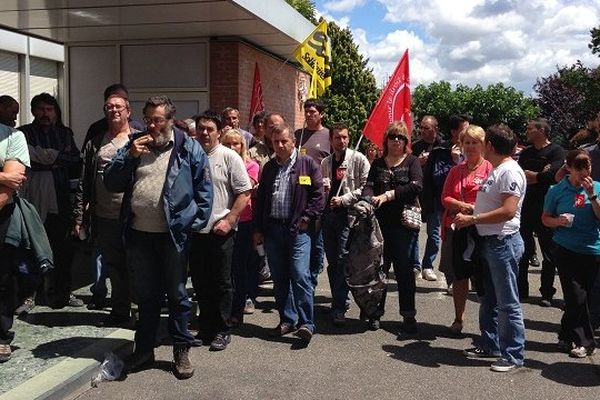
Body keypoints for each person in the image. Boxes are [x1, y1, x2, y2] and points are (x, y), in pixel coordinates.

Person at [104, 96, 212, 379]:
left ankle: (181, 350)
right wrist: (129, 157)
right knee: (146, 296)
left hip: (172, 236)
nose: (152, 125)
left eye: (158, 120)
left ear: (170, 119)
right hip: (140, 235)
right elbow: (111, 182)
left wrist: (192, 224)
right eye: (148, 119)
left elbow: (204, 190)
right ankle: (144, 350)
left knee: (177, 296)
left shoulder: (188, 148)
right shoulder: (135, 145)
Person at [455, 124, 526, 372]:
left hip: (502, 243)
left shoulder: (508, 172)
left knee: (507, 302)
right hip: (490, 242)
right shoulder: (499, 170)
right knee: (489, 299)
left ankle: (513, 355)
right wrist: (473, 213)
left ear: (491, 146)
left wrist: (473, 219)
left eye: (483, 143)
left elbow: (508, 211)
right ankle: (491, 343)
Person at [253, 124, 324, 345]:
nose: (280, 146)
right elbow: (261, 200)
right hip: (273, 230)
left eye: (284, 141)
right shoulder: (269, 168)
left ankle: (306, 323)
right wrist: (258, 229)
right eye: (276, 142)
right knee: (280, 278)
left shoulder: (307, 164)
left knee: (300, 275)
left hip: (298, 231)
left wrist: (305, 220)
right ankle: (287, 319)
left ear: (293, 141)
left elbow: (318, 196)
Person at [73, 93, 139, 326]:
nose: (114, 111)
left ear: (128, 111)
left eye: (119, 107)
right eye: (109, 107)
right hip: (104, 215)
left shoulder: (138, 139)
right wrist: (80, 217)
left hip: (134, 216)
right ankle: (120, 311)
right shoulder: (95, 142)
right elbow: (84, 181)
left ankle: (139, 311)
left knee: (136, 264)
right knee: (114, 265)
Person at [189, 111, 251, 352]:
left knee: (222, 283)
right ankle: (205, 327)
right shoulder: (190, 155)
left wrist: (230, 219)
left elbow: (244, 192)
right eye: (201, 128)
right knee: (200, 282)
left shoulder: (229, 157)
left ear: (218, 131)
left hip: (221, 231)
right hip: (196, 231)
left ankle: (223, 329)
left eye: (210, 129)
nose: (205, 133)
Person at [18, 93, 83, 309]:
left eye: (50, 109)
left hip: (61, 198)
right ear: (34, 111)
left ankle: (63, 293)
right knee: (31, 248)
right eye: (41, 109)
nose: (46, 114)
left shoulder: (64, 133)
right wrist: (55, 158)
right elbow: (24, 160)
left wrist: (43, 157)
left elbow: (74, 159)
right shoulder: (23, 133)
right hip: (32, 200)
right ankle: (29, 296)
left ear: (55, 112)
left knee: (62, 249)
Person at [362, 121, 422, 333]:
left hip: (404, 226)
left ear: (406, 142)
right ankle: (376, 313)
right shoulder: (377, 164)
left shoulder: (412, 162)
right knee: (379, 271)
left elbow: (416, 186)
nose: (396, 141)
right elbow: (368, 187)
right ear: (386, 140)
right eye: (393, 137)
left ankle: (408, 315)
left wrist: (389, 195)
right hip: (379, 225)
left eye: (401, 138)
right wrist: (368, 199)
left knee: (404, 271)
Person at [542, 149, 600, 358]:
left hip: (592, 249)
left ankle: (566, 335)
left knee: (586, 297)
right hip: (565, 248)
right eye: (580, 168)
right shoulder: (556, 190)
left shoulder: (596, 188)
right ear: (569, 168)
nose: (585, 172)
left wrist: (592, 195)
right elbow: (545, 218)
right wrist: (558, 221)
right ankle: (585, 341)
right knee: (575, 295)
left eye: (589, 167)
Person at [439, 125, 492, 335]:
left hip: (482, 228)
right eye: (466, 142)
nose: (470, 147)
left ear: (483, 145)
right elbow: (445, 197)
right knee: (460, 276)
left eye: (474, 142)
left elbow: (492, 200)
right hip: (457, 227)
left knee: (483, 278)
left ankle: (487, 325)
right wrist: (464, 206)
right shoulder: (456, 170)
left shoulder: (490, 169)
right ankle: (458, 318)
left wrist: (472, 209)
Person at [321, 122, 370, 326]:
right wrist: (323, 190)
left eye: (345, 137)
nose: (341, 141)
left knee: (344, 261)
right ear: (330, 140)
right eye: (337, 137)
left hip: (350, 217)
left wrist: (345, 198)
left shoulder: (358, 159)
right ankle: (339, 298)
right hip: (329, 217)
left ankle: (340, 306)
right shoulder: (325, 162)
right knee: (333, 263)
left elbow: (367, 187)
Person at [517, 118, 565, 304]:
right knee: (523, 250)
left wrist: (536, 176)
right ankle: (521, 289)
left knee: (549, 253)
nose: (527, 131)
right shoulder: (526, 153)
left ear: (542, 131)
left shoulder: (556, 151)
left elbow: (553, 175)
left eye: (530, 128)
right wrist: (541, 175)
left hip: (547, 207)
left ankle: (546, 292)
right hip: (526, 207)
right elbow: (520, 175)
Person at [220, 128, 260, 323]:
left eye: (235, 143)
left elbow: (243, 190)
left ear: (242, 146)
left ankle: (237, 311)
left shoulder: (251, 166)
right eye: (227, 144)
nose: (231, 147)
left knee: (239, 269)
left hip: (243, 222)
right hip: (220, 221)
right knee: (222, 270)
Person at [0, 121, 30, 362]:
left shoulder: (13, 137)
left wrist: (6, 179)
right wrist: (2, 175)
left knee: (2, 277)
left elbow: (9, 187)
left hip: (2, 215)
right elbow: (6, 178)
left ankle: (1, 336)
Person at [294, 99, 330, 289]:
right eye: (306, 111)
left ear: (321, 114)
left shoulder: (328, 135)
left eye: (313, 112)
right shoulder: (298, 135)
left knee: (317, 243)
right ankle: (303, 280)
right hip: (299, 197)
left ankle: (312, 280)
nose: (309, 115)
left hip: (320, 197)